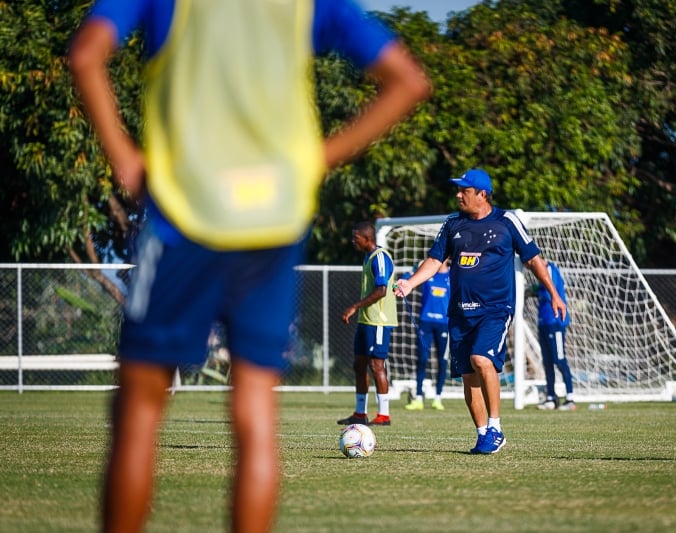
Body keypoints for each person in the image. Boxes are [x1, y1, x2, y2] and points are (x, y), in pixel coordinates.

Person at [68, 0, 430, 530]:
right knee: (256, 415)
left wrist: (124, 157)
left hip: (183, 218)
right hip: (272, 224)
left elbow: (85, 55)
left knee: (139, 413)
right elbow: (407, 81)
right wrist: (316, 159)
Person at [394, 168, 566, 455]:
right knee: (468, 375)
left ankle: (496, 428)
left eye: (465, 191)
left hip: (496, 309)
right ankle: (483, 434)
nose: (459, 195)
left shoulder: (507, 221)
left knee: (481, 359)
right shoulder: (452, 225)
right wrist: (411, 283)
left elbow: (534, 260)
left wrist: (554, 294)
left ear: (482, 194)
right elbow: (435, 260)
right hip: (459, 313)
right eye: (458, 190)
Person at [338, 221, 397, 426]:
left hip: (378, 321)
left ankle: (384, 415)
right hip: (366, 320)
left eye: (356, 238)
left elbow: (381, 290)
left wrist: (354, 306)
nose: (353, 241)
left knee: (376, 365)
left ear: (368, 239)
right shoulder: (367, 258)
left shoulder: (379, 258)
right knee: (359, 364)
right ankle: (360, 413)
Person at [404, 260, 450, 411]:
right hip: (426, 322)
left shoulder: (451, 275)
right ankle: (418, 397)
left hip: (444, 323)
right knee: (422, 359)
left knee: (443, 362)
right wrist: (414, 269)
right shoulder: (427, 274)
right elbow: (406, 278)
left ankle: (438, 397)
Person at [534, 261, 576, 411]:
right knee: (547, 362)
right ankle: (551, 397)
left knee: (559, 360)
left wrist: (533, 290)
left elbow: (548, 291)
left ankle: (570, 398)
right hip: (543, 322)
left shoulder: (549, 269)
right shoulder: (539, 273)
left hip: (555, 321)